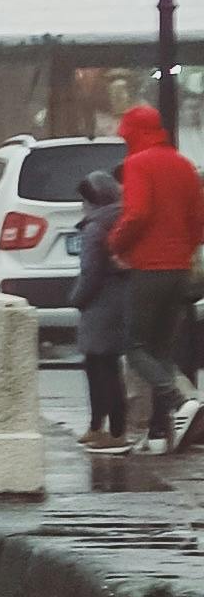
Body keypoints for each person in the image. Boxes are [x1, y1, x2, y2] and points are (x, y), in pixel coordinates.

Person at [108, 99, 204, 440]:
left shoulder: (138, 165)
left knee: (134, 347)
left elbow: (136, 213)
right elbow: (198, 222)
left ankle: (180, 402)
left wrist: (116, 245)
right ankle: (165, 429)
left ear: (134, 134)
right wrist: (185, 250)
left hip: (148, 267)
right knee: (162, 349)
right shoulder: (184, 166)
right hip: (180, 269)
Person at [73, 160, 129, 450]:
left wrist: (76, 299)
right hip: (121, 302)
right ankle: (109, 428)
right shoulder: (121, 218)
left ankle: (107, 429)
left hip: (99, 306)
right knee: (110, 365)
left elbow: (90, 272)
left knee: (98, 367)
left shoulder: (95, 228)